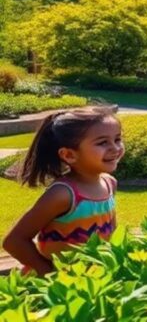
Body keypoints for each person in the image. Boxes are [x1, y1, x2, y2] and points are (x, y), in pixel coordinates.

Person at [3, 107, 123, 275]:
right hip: (56, 290)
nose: (115, 148)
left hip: (92, 283)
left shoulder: (110, 184)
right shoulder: (63, 194)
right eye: (103, 142)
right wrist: (50, 273)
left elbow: (111, 236)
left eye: (117, 139)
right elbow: (14, 241)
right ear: (68, 155)